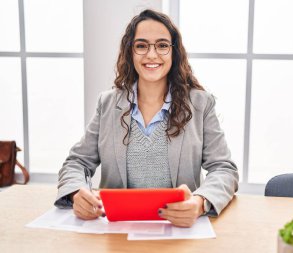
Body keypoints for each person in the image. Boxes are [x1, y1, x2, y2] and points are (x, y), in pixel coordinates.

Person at [54, 9, 239, 228]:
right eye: (141, 45)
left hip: (178, 231)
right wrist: (76, 193)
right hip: (117, 231)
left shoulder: (200, 104)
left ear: (174, 52)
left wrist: (200, 202)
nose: (151, 55)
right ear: (130, 52)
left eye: (162, 45)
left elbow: (224, 169)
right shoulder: (107, 104)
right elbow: (77, 162)